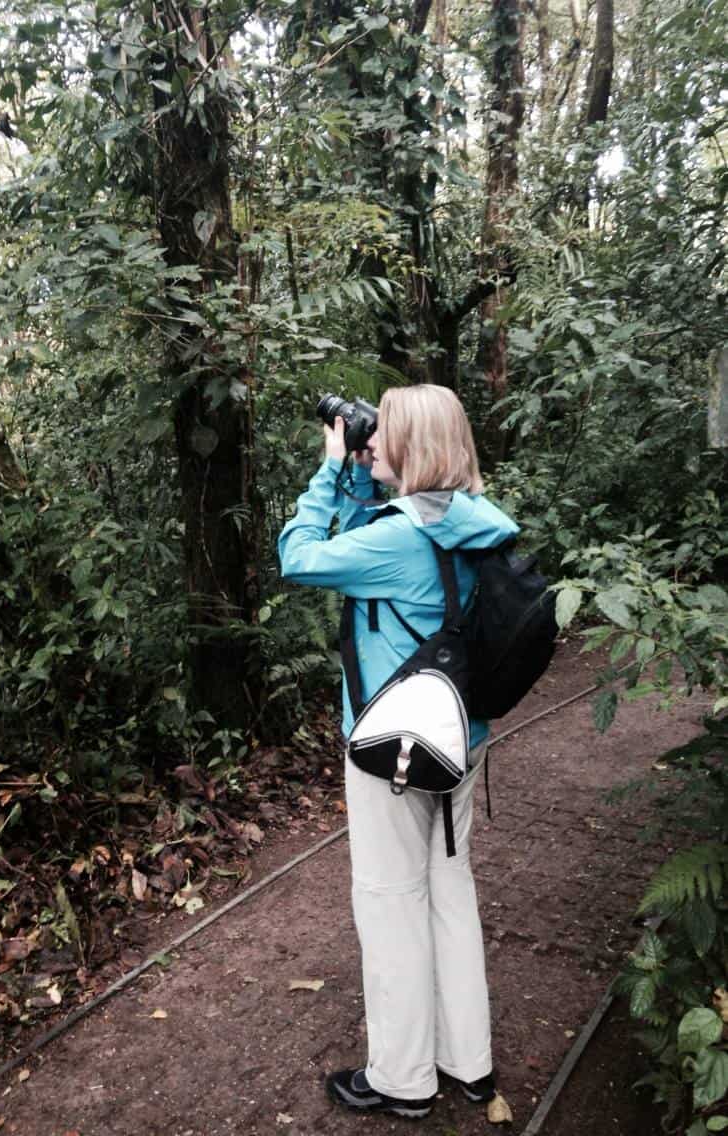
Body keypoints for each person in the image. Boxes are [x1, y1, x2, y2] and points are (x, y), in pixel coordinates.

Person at [277, 384, 519, 1120]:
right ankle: (467, 1062)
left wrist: (328, 469)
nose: (371, 439)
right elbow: (368, 540)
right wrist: (359, 473)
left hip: (391, 751)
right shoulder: (471, 521)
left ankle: (403, 1078)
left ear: (415, 447)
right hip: (459, 738)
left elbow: (300, 556)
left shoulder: (397, 538)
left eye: (386, 432)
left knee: (389, 902)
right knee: (450, 892)